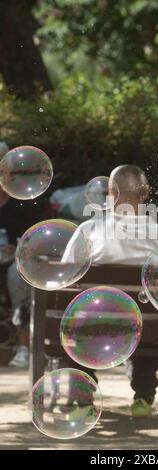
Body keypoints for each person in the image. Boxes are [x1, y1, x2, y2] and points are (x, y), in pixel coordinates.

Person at [64, 164, 158, 417]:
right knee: (150, 326)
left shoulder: (89, 231)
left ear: (110, 191)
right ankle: (143, 397)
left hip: (94, 323)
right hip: (146, 326)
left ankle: (83, 402)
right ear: (146, 192)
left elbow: (67, 278)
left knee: (76, 323)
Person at [0, 142, 52, 367]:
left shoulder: (26, 200)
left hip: (15, 260)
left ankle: (23, 345)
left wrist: (18, 247)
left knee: (18, 275)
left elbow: (36, 236)